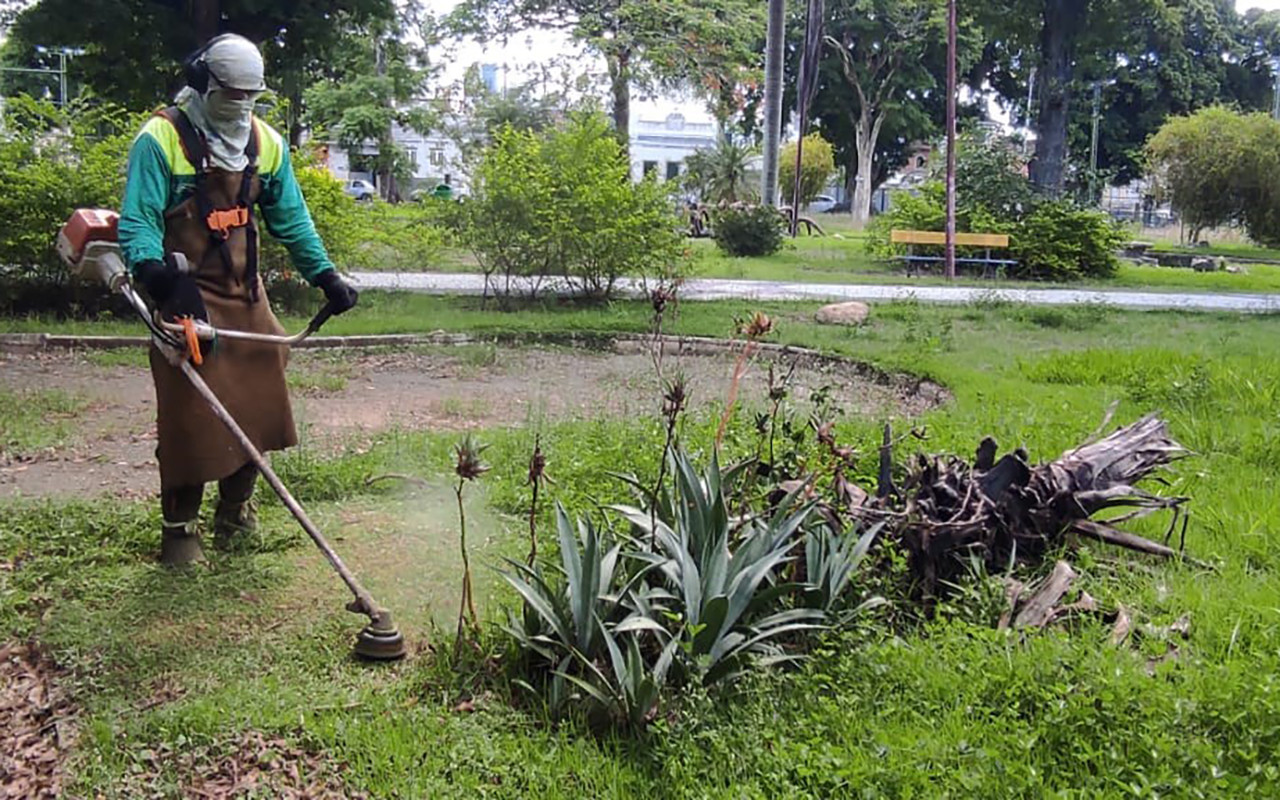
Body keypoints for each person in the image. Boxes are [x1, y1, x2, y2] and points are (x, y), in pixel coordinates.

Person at [118, 33, 359, 566]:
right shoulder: (161, 140)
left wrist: (324, 274)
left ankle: (236, 510)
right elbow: (137, 221)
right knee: (190, 413)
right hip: (185, 296)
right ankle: (180, 529)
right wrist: (157, 276)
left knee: (259, 400)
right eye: (233, 94)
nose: (243, 105)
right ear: (204, 84)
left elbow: (291, 218)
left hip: (246, 297)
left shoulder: (265, 143)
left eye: (252, 96)